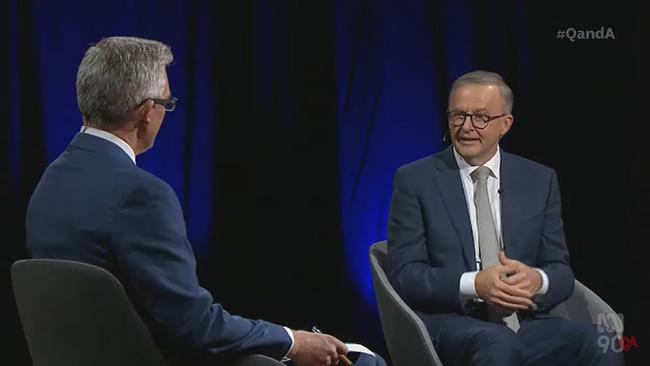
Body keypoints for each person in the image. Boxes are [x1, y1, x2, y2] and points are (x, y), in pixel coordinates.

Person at [25, 36, 384, 366]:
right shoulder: (141, 195)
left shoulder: (51, 182)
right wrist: (293, 341)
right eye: (168, 102)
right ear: (147, 112)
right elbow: (194, 328)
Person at [387, 70, 622, 365]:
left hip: (525, 323)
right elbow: (405, 275)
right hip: (451, 323)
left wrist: (538, 280)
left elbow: (561, 272)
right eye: (457, 116)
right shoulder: (415, 180)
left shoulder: (539, 179)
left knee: (601, 340)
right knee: (497, 343)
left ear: (505, 124)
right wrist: (475, 284)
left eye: (480, 118)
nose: (466, 127)